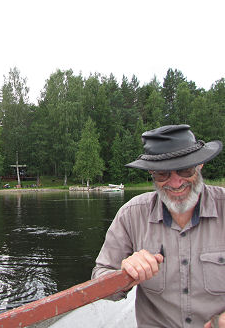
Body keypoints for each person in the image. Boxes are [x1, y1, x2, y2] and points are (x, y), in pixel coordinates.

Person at [91, 125, 225, 328]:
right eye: (162, 174)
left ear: (200, 166)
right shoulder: (131, 214)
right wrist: (125, 275)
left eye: (185, 170)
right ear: (152, 174)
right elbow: (99, 281)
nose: (176, 182)